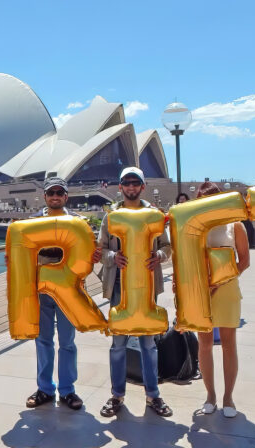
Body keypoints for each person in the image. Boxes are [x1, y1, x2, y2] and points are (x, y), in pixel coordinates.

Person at [95, 167, 173, 418]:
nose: (131, 187)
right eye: (126, 183)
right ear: (120, 187)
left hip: (147, 284)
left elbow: (167, 246)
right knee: (118, 344)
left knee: (148, 343)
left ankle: (153, 395)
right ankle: (117, 395)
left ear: (143, 186)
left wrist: (158, 256)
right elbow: (101, 250)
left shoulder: (154, 215)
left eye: (135, 183)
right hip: (120, 285)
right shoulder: (111, 217)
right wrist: (113, 257)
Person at [25, 177, 85, 411]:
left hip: (69, 290)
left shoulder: (77, 222)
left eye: (60, 192)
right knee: (43, 340)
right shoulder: (32, 223)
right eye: (51, 193)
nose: (55, 196)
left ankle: (68, 390)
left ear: (66, 196)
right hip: (41, 290)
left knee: (67, 341)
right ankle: (45, 389)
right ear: (45, 197)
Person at [194, 181, 250, 418]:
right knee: (204, 345)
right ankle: (210, 395)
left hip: (226, 289)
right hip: (201, 290)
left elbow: (244, 261)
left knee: (228, 344)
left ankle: (228, 397)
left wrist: (220, 280)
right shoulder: (196, 226)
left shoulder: (234, 225)